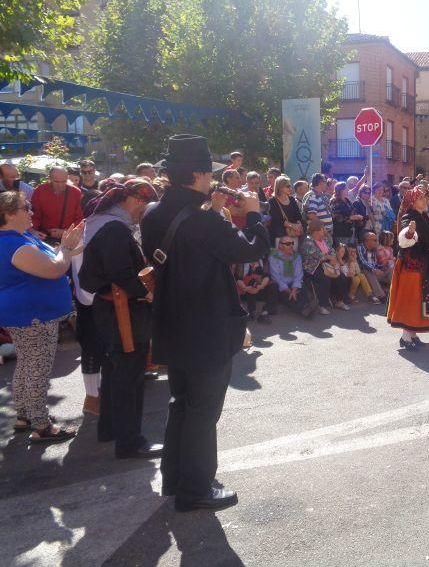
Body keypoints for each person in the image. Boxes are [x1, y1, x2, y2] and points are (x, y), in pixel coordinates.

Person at [140, 134, 271, 512]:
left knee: (182, 402)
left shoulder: (153, 213)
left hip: (172, 321)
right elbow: (252, 248)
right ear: (196, 174)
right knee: (203, 410)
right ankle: (195, 488)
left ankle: (177, 477)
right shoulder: (202, 220)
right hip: (206, 325)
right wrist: (256, 212)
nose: (212, 180)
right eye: (208, 173)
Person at [78, 179, 163, 459]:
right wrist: (147, 293)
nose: (142, 212)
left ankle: (109, 428)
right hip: (122, 312)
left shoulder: (105, 224)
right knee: (129, 376)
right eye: (143, 205)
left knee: (115, 373)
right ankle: (130, 442)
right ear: (137, 200)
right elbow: (122, 275)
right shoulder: (114, 228)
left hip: (112, 311)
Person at [0, 190, 82, 443]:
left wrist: (68, 248)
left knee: (27, 365)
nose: (32, 212)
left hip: (28, 314)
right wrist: (67, 249)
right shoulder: (13, 244)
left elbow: (55, 258)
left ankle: (25, 416)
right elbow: (54, 269)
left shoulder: (19, 238)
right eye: (26, 208)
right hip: (32, 316)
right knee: (37, 369)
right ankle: (41, 424)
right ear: (9, 214)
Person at [387, 186, 429, 349]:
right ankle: (406, 337)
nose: (424, 200)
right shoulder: (409, 216)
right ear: (413, 202)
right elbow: (404, 238)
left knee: (420, 298)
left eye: (424, 198)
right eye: (420, 198)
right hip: (412, 265)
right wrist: (410, 232)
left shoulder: (424, 217)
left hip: (424, 262)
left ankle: (412, 334)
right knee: (411, 298)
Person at [301, 220, 349, 313]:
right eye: (323, 229)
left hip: (327, 264)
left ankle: (339, 301)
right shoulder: (308, 241)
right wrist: (328, 257)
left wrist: (332, 258)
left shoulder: (325, 239)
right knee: (324, 279)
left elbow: (331, 250)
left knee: (341, 277)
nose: (325, 231)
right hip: (313, 267)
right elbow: (316, 254)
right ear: (316, 231)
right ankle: (322, 305)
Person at [31, 165, 84, 244]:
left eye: (63, 181)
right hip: (44, 236)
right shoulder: (40, 191)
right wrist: (33, 231)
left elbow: (80, 218)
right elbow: (34, 215)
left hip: (68, 237)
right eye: (56, 182)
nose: (60, 185)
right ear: (50, 178)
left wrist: (65, 232)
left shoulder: (75, 192)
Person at [269, 235, 315, 317]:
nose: (291, 246)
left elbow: (299, 274)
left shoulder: (297, 256)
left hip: (293, 283)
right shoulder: (273, 257)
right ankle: (304, 309)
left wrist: (294, 289)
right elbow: (275, 277)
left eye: (292, 243)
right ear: (280, 246)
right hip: (281, 284)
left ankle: (305, 307)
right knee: (285, 295)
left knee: (302, 288)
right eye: (287, 244)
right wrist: (289, 291)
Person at [268, 175, 305, 244]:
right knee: (281, 255)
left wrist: (299, 224)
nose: (290, 188)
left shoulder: (292, 199)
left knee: (294, 254)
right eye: (288, 186)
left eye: (290, 186)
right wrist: (293, 225)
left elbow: (298, 216)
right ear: (280, 187)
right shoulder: (272, 201)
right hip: (279, 236)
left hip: (294, 234)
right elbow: (276, 220)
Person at [358, 231, 390, 301]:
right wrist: (374, 270)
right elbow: (363, 262)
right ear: (367, 241)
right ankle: (381, 296)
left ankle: (395, 291)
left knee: (391, 269)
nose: (377, 242)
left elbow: (376, 264)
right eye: (375, 240)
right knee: (369, 271)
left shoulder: (374, 249)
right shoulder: (360, 248)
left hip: (375, 273)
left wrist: (383, 266)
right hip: (364, 273)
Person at [331, 181, 362, 246]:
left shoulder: (347, 201)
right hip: (341, 232)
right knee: (343, 252)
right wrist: (351, 217)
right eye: (346, 188)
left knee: (350, 252)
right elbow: (336, 217)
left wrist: (357, 217)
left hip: (350, 231)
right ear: (340, 190)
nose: (348, 190)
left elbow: (353, 211)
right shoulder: (335, 201)